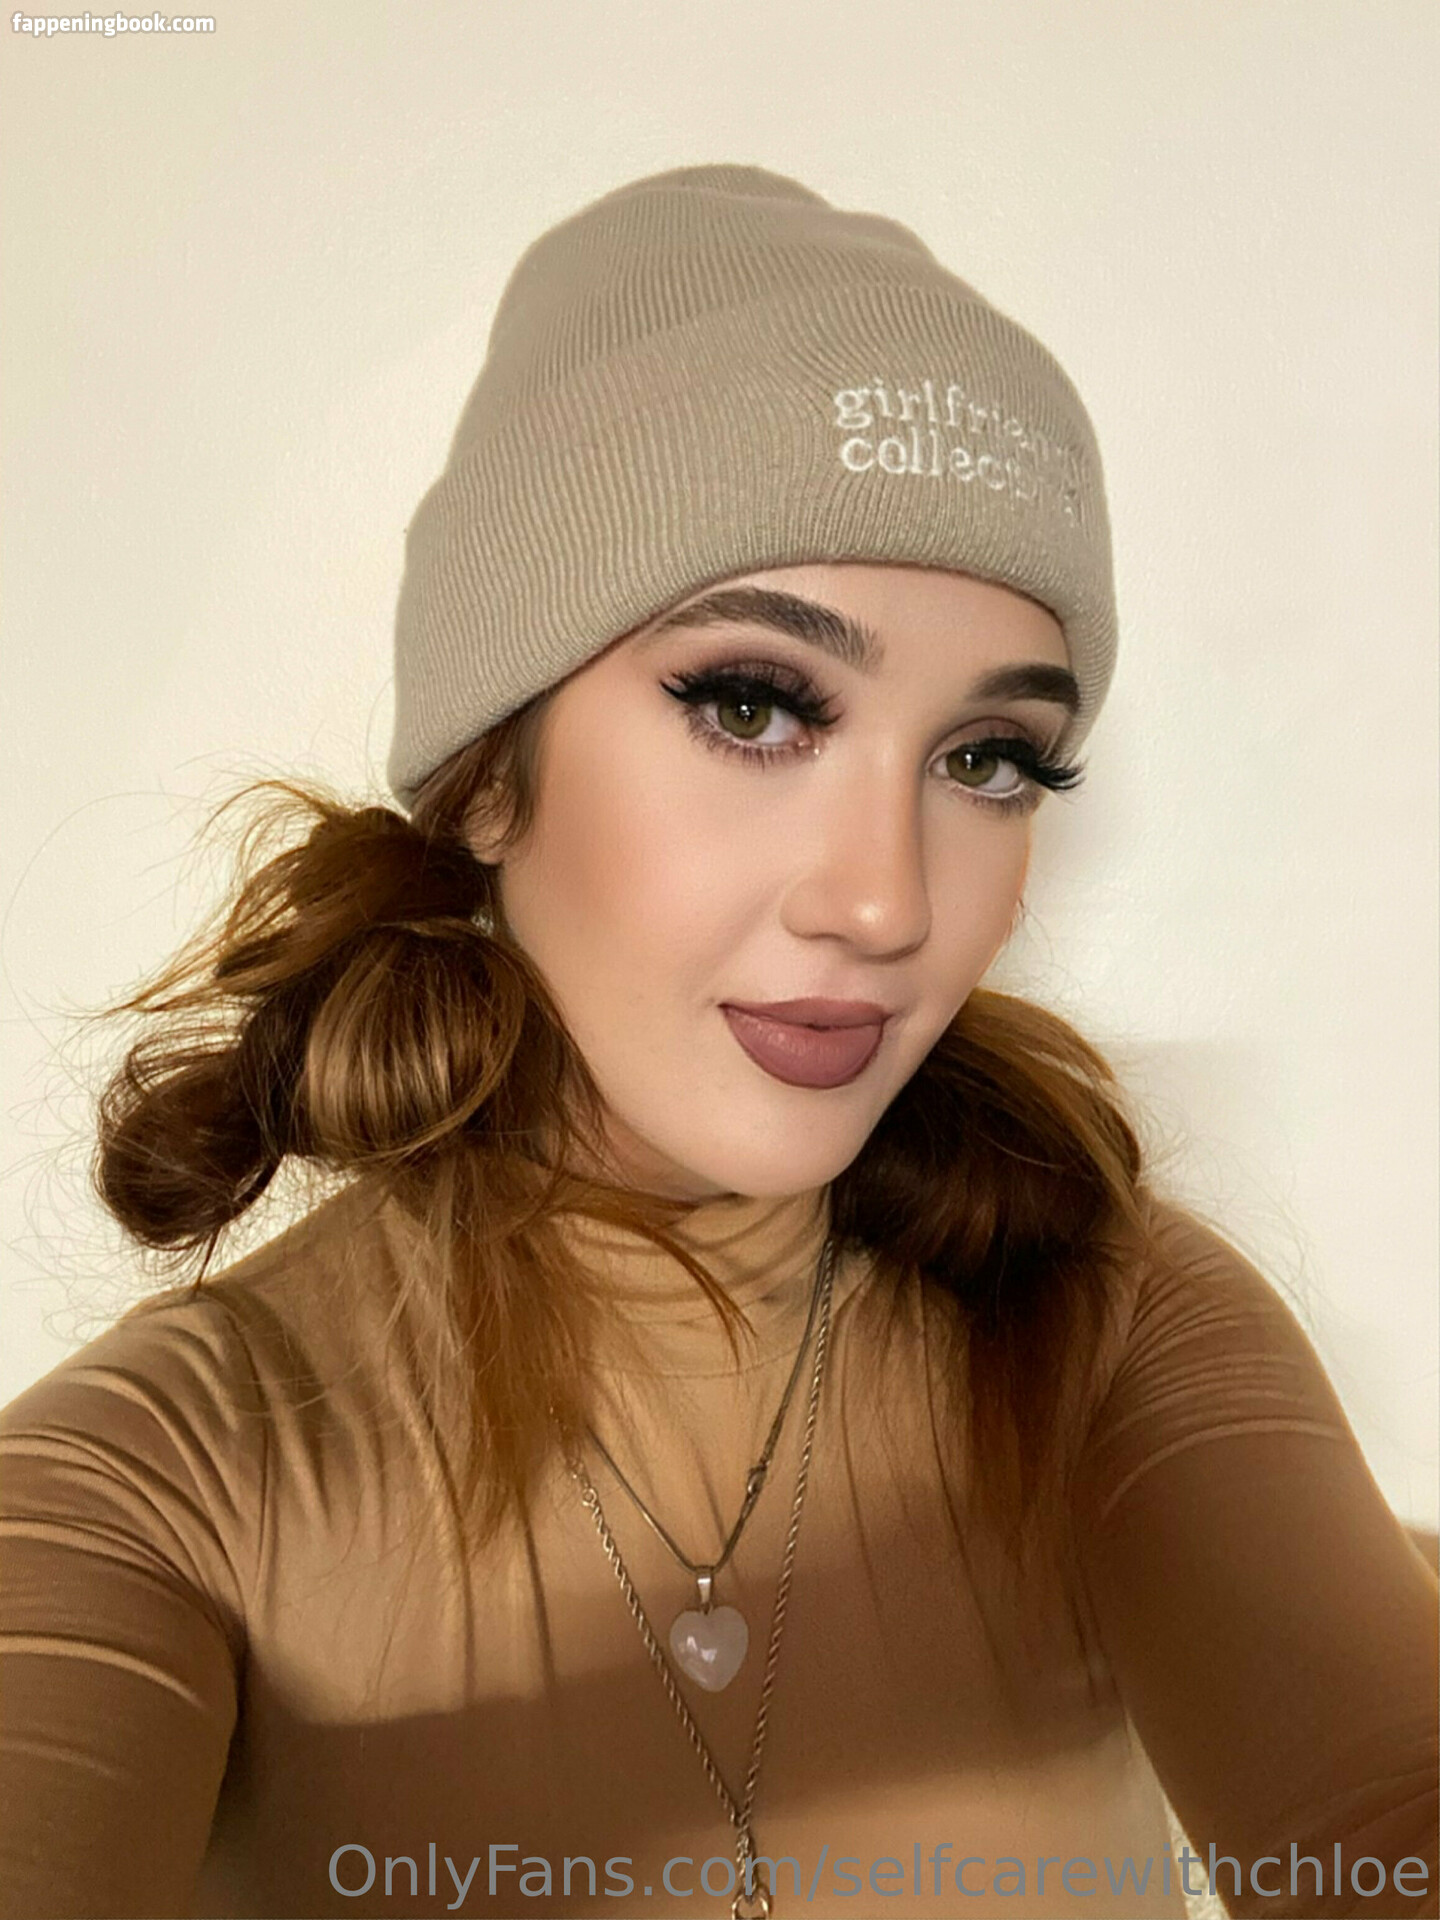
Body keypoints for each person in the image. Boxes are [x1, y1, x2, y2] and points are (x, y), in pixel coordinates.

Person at [0, 164, 1435, 1920]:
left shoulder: (1111, 1333)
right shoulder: (154, 1489)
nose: (886, 902)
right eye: (755, 706)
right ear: (490, 777)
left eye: (987, 759)